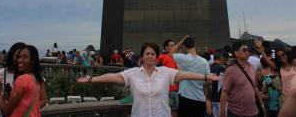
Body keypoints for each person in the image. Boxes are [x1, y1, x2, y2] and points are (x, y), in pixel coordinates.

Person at [77, 42, 219, 117]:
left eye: (153, 54)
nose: (150, 56)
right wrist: (91, 79)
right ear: (142, 57)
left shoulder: (165, 72)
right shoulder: (132, 73)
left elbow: (186, 75)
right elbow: (112, 77)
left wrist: (205, 76)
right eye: (147, 53)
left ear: (156, 57)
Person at [220, 40, 265, 117]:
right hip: (236, 113)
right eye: (244, 50)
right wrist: (222, 113)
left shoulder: (251, 67)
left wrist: (262, 105)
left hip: (253, 112)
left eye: (248, 50)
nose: (247, 52)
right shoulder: (230, 70)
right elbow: (224, 92)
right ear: (236, 53)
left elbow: (255, 87)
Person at [0, 44, 44, 116]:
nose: (19, 60)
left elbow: (6, 111)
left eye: (25, 57)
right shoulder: (34, 77)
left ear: (32, 61)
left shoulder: (22, 79)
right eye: (18, 56)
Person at [169, 36, 211, 117]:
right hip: (200, 98)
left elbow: (171, 52)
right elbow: (208, 81)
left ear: (184, 46)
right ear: (195, 44)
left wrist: (182, 40)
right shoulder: (204, 61)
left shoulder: (183, 58)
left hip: (185, 97)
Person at [157, 39, 179, 117]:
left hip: (175, 88)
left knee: (174, 109)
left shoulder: (175, 57)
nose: (173, 47)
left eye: (174, 45)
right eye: (171, 45)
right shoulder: (161, 57)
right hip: (167, 89)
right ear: (166, 47)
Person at [210, 52, 226, 117]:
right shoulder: (222, 68)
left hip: (212, 97)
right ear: (221, 58)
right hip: (221, 98)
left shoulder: (209, 67)